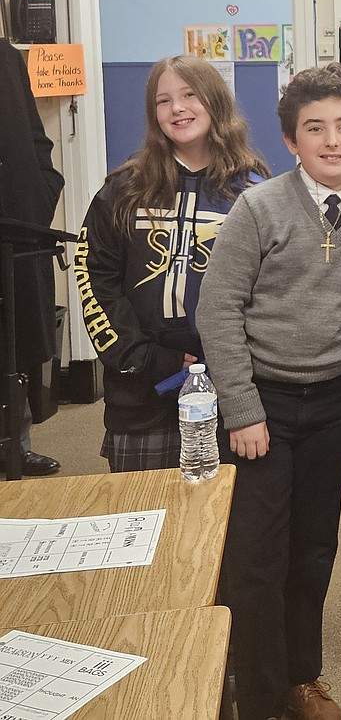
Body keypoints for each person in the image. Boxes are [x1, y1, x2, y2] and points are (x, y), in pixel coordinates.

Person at [197, 64, 341, 720]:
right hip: (263, 405)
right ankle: (255, 695)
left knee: (315, 546)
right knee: (257, 556)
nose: (332, 140)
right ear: (292, 140)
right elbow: (219, 310)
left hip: (337, 402)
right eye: (316, 128)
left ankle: (301, 679)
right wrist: (242, 407)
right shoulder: (259, 208)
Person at [77, 57, 268, 473]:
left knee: (224, 521)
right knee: (144, 515)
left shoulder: (252, 192)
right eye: (163, 101)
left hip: (228, 383)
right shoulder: (123, 190)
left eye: (189, 95)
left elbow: (270, 291)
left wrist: (236, 365)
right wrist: (146, 358)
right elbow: (94, 280)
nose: (177, 108)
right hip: (141, 389)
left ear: (215, 102)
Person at [0, 38, 66, 476]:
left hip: (17, 229)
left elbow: (34, 137)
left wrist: (43, 191)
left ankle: (16, 446)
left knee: (16, 341)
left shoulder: (6, 55)